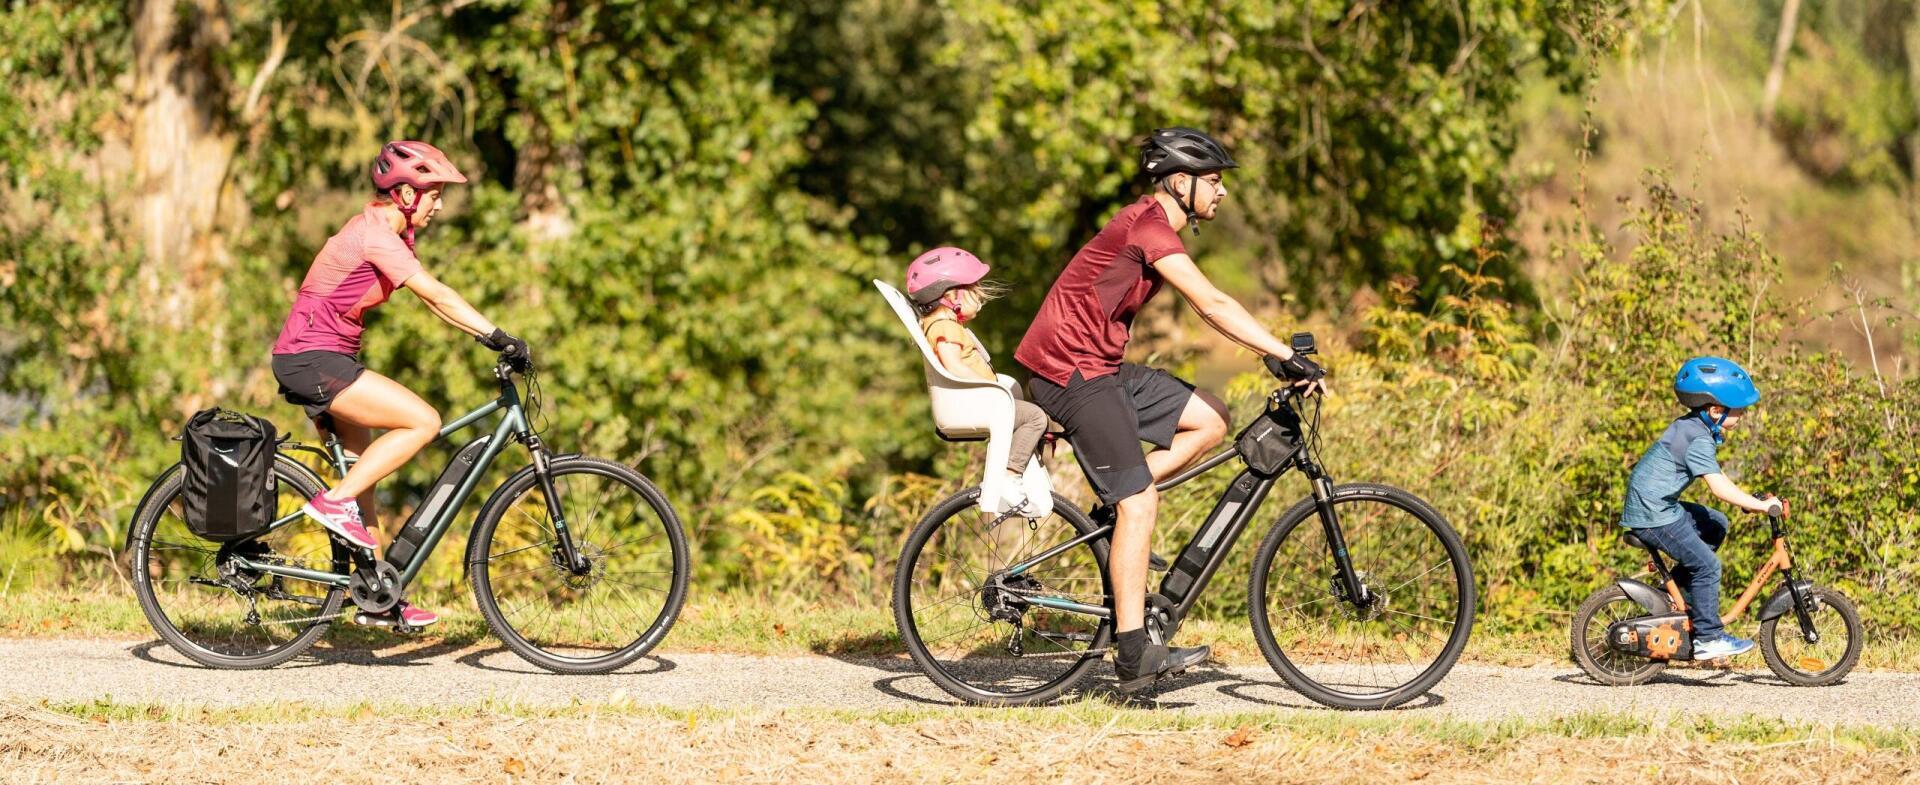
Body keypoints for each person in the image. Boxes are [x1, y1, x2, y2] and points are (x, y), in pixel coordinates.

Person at [1014, 127, 1325, 692]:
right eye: (1214, 181)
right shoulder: (1149, 226)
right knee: (1140, 501)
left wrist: (1272, 354)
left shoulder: (1152, 222)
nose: (1222, 192)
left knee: (1210, 416)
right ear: (1180, 183)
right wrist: (1280, 353)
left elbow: (1213, 308)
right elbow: (1210, 303)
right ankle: (1133, 658)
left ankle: (1119, 500)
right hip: (1070, 372)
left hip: (1100, 368)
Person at [268, 141, 529, 627]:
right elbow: (436, 292)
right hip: (313, 359)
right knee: (423, 421)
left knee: (366, 478)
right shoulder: (375, 235)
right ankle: (333, 502)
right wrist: (497, 336)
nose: (440, 204)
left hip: (323, 357)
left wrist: (484, 336)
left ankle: (379, 594)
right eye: (434, 193)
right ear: (406, 193)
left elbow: (431, 302)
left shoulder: (391, 234)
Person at [1620, 356, 1786, 660]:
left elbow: (1719, 477)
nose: (1743, 415)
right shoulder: (1697, 438)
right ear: (1715, 410)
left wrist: (1752, 500)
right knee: (1708, 566)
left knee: (1715, 524)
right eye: (1739, 410)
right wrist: (1763, 507)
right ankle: (1709, 638)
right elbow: (1718, 488)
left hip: (1655, 504)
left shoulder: (1694, 427)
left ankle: (1677, 597)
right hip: (1653, 514)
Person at [906, 247, 1048, 512]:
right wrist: (991, 388)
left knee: (1029, 416)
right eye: (975, 293)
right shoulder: (944, 327)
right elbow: (953, 365)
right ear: (951, 295)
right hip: (975, 404)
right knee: (1034, 417)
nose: (981, 301)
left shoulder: (945, 326)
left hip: (980, 402)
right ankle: (1009, 478)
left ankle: (1017, 476)